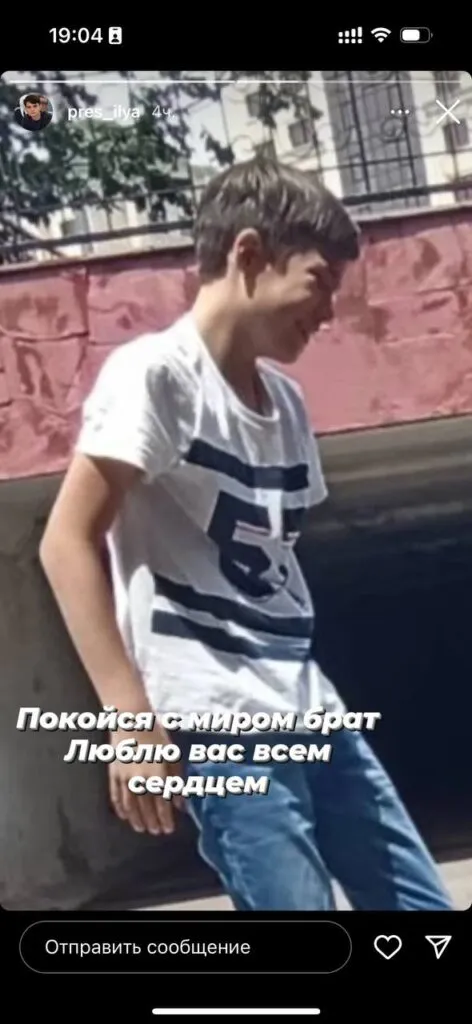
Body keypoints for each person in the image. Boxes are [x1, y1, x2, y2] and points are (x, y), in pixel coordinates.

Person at [39, 158, 453, 911]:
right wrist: (131, 725)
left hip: (310, 708)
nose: (328, 311)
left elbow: (271, 567)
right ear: (250, 254)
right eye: (319, 281)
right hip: (218, 721)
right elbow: (66, 541)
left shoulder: (286, 405)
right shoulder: (157, 377)